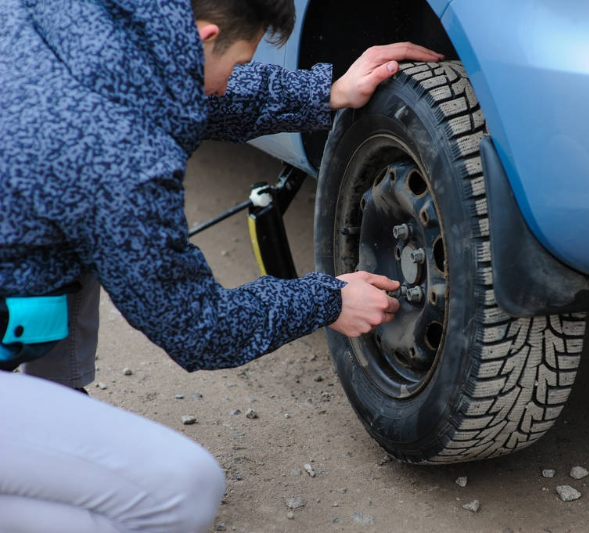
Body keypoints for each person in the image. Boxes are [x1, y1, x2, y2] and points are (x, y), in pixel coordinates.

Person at [0, 0, 443, 531]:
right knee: (186, 488)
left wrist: (324, 93)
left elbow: (187, 92)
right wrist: (328, 299)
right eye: (237, 65)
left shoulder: (73, 20)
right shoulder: (115, 157)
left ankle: (52, 409)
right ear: (204, 35)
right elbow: (198, 328)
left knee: (75, 228)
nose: (226, 82)